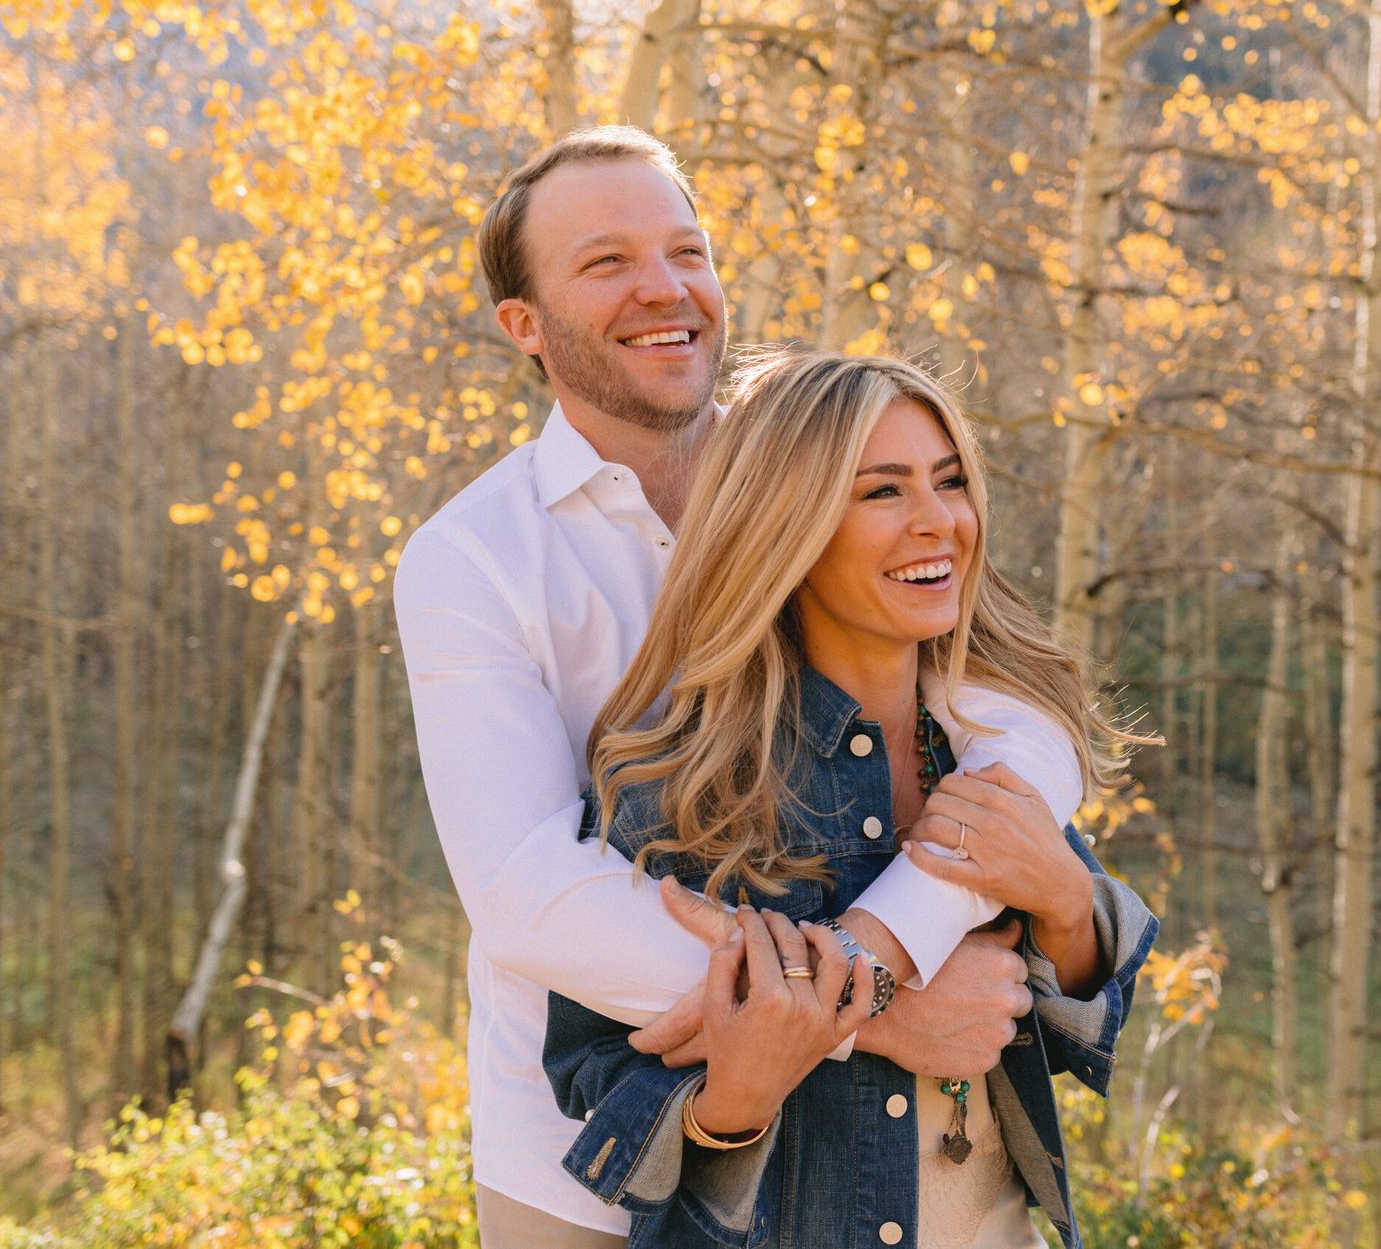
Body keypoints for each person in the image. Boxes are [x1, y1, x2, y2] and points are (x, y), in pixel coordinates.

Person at [394, 127, 1116, 1245]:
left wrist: (893, 942)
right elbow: (529, 893)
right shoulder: (472, 557)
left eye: (686, 250)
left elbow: (1016, 706)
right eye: (607, 262)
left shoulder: (826, 465)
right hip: (584, 1146)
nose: (663, 287)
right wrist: (870, 1008)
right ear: (523, 325)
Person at [544, 351, 1156, 1248]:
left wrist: (1066, 903)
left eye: (951, 481)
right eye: (883, 491)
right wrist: (737, 1094)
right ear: (785, 524)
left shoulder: (982, 751)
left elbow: (1079, 1033)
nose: (939, 520)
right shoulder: (683, 785)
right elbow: (587, 1069)